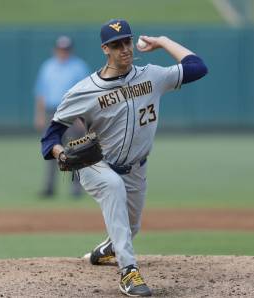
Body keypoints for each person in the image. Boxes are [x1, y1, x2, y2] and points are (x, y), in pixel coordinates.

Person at [41, 19, 207, 297]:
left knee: (131, 227)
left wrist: (163, 40)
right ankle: (128, 271)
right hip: (96, 165)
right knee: (113, 187)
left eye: (127, 42)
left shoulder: (152, 75)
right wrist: (62, 154)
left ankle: (106, 250)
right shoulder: (83, 91)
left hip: (136, 169)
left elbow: (198, 67)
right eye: (117, 45)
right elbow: (50, 137)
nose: (124, 49)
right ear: (106, 49)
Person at [34, 35, 90, 198]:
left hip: (72, 112)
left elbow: (86, 94)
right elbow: (41, 93)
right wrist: (39, 115)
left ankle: (77, 189)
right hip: (52, 112)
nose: (63, 52)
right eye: (60, 49)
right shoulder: (48, 66)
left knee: (75, 151)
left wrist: (83, 117)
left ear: (70, 50)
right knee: (51, 149)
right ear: (55, 50)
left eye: (66, 49)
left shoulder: (79, 66)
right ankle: (49, 188)